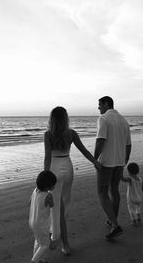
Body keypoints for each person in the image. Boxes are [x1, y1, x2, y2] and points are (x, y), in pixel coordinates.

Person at [44, 106, 101, 255]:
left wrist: (45, 175)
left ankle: (58, 239)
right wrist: (95, 162)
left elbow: (47, 157)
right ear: (65, 118)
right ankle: (59, 239)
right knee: (65, 203)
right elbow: (84, 151)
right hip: (68, 168)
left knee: (56, 207)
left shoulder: (48, 135)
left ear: (52, 119)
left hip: (54, 169)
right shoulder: (71, 133)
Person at [94, 96, 132, 240]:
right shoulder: (124, 120)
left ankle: (115, 225)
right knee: (114, 190)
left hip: (106, 162)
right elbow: (128, 144)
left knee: (102, 192)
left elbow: (100, 140)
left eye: (100, 105)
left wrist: (94, 159)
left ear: (106, 104)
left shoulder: (103, 118)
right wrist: (125, 159)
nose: (98, 108)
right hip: (119, 161)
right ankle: (112, 220)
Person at [29, 170, 57, 263]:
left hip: (33, 222)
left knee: (38, 241)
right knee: (45, 245)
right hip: (41, 224)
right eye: (53, 185)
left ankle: (39, 259)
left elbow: (29, 202)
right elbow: (52, 205)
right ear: (46, 186)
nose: (54, 186)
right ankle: (34, 261)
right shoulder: (48, 195)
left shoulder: (35, 191)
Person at [122, 162, 143, 226]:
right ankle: (138, 218)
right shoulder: (140, 179)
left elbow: (123, 179)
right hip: (139, 198)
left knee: (131, 209)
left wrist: (119, 173)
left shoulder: (130, 179)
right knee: (138, 207)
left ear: (129, 172)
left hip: (131, 199)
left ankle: (134, 221)